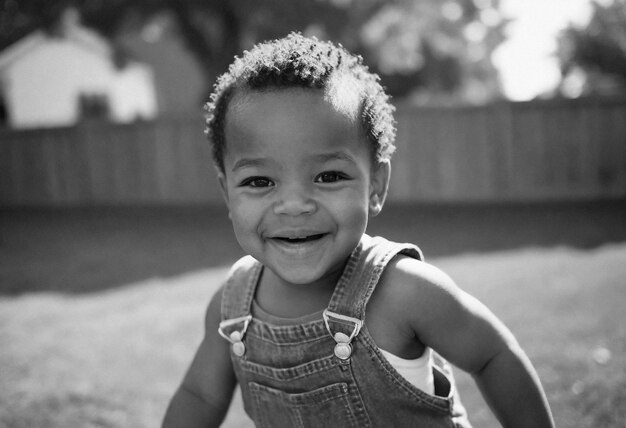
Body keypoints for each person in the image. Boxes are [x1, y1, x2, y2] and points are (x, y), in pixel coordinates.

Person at [162, 32, 554, 428]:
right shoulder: (231, 308)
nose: (295, 204)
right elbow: (200, 395)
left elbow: (493, 356)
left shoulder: (405, 292)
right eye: (259, 181)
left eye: (328, 175)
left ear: (376, 186)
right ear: (227, 194)